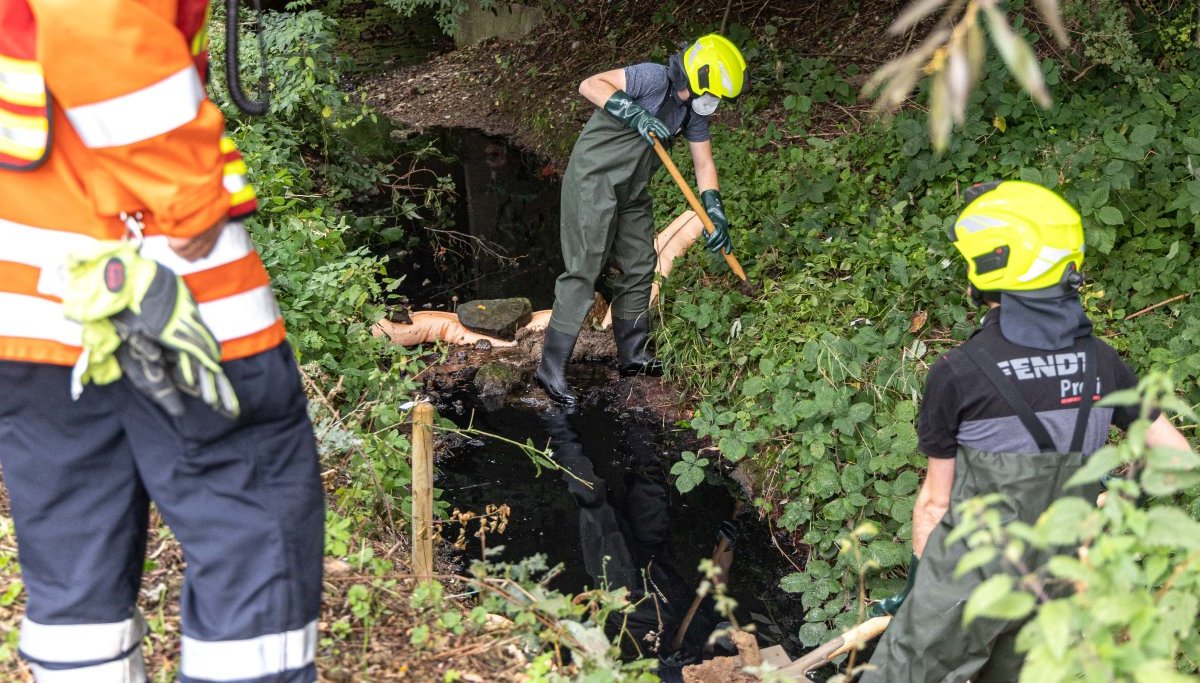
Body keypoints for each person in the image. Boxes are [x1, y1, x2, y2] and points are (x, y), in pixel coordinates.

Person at [0, 2, 323, 681]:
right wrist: (189, 191)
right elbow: (93, 18)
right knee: (252, 532)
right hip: (173, 287)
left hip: (30, 304)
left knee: (73, 572)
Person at [861, 181, 1193, 682]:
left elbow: (934, 504)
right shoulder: (1103, 363)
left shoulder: (960, 372)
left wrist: (917, 591)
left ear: (991, 268)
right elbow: (1177, 454)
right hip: (1057, 578)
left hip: (969, 580)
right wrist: (1115, 497)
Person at [535, 34, 747, 406]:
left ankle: (633, 357)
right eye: (713, 93)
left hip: (632, 191)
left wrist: (714, 208)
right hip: (594, 183)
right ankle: (550, 368)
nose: (714, 104)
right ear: (697, 79)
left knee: (640, 264)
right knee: (585, 267)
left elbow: (704, 163)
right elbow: (590, 85)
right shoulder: (651, 78)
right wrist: (634, 112)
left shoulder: (692, 112)